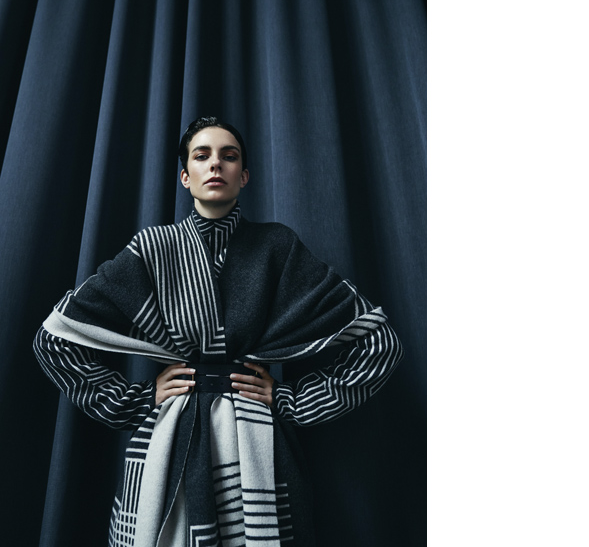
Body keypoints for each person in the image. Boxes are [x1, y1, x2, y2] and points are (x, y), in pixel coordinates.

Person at [34, 116, 403, 546]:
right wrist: (135, 400)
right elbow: (54, 339)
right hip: (171, 437)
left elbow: (379, 342)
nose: (215, 165)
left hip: (257, 440)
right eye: (201, 156)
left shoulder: (277, 246)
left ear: (243, 176)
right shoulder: (153, 248)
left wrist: (293, 400)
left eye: (229, 156)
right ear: (185, 176)